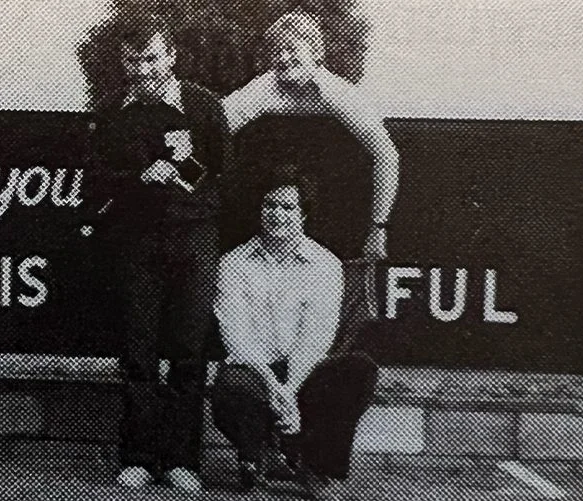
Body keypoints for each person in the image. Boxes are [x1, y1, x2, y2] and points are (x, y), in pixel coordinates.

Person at [88, 13, 231, 492]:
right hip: (136, 241)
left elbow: (224, 173)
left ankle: (182, 461)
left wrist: (185, 173)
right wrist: (138, 180)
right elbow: (96, 179)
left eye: (151, 59)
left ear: (171, 56)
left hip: (194, 238)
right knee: (137, 352)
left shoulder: (204, 106)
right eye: (133, 62)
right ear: (123, 61)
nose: (143, 71)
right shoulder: (111, 110)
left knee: (189, 352)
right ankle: (138, 458)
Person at [211, 170, 378, 501]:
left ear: (303, 215)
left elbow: (316, 339)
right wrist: (276, 389)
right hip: (256, 369)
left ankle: (316, 466)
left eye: (288, 207)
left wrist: (289, 391)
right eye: (270, 205)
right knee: (233, 384)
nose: (277, 214)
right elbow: (236, 340)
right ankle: (256, 457)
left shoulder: (325, 265)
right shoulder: (233, 264)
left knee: (358, 369)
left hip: (303, 368)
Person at [221, 10, 399, 260]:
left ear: (315, 53)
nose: (283, 58)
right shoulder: (262, 89)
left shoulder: (338, 94)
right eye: (277, 51)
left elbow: (386, 155)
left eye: (291, 49)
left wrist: (378, 227)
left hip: (335, 212)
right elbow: (213, 131)